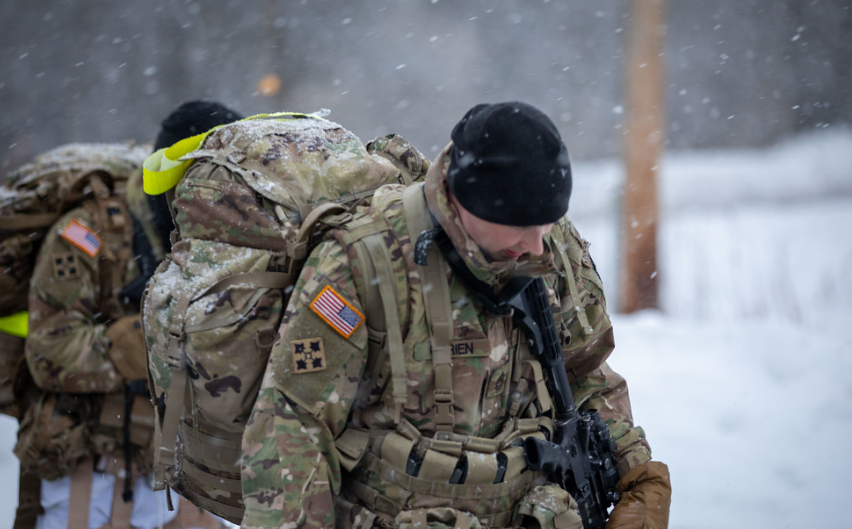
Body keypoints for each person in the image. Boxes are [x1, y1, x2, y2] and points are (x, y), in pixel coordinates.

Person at [240, 101, 671, 528]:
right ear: (468, 202)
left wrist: (635, 468)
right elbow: (292, 429)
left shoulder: (547, 243)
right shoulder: (362, 263)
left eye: (547, 224)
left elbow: (586, 372)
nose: (538, 247)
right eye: (522, 225)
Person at [20, 101, 243, 529]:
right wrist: (140, 342)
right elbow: (48, 349)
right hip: (93, 472)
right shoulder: (88, 235)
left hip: (189, 473)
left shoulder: (222, 243)